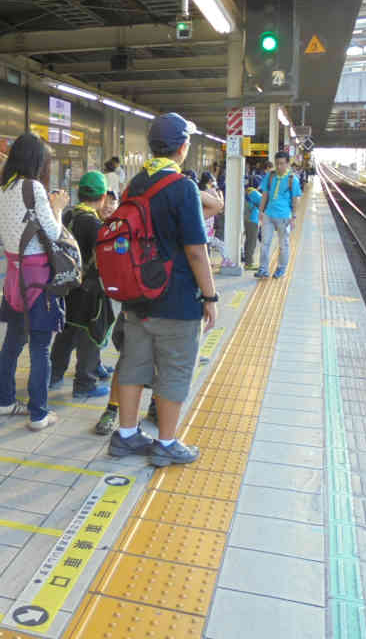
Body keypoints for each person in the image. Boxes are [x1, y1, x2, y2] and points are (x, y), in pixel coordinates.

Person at [108, 113, 217, 467]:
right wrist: (211, 296)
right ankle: (166, 443)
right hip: (176, 299)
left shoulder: (134, 184)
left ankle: (126, 436)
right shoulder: (182, 187)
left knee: (133, 364)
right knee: (174, 369)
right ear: (182, 147)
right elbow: (196, 250)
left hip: (137, 298)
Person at [0, 134, 69, 431]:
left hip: (14, 276)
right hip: (38, 278)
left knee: (12, 341)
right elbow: (53, 233)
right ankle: (39, 414)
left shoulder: (1, 188)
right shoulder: (32, 187)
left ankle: (4, 400)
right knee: (40, 347)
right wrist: (57, 207)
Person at [49, 172, 114, 399]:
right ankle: (85, 383)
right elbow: (103, 259)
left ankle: (54, 374)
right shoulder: (94, 224)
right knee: (90, 334)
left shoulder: (68, 215)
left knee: (67, 331)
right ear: (103, 197)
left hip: (67, 286)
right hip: (90, 290)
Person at [256, 150, 302, 279]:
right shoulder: (270, 176)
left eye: (282, 163)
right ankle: (263, 269)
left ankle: (281, 268)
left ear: (287, 164)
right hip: (268, 214)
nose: (279, 166)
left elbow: (296, 199)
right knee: (264, 244)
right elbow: (265, 194)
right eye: (277, 163)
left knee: (283, 245)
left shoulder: (293, 180)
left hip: (284, 216)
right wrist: (261, 211)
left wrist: (294, 217)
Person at [243, 179, 263, 269]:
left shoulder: (247, 191)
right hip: (253, 219)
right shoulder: (254, 192)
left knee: (248, 241)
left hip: (246, 219)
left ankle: (248, 261)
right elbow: (263, 203)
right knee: (251, 242)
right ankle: (249, 263)